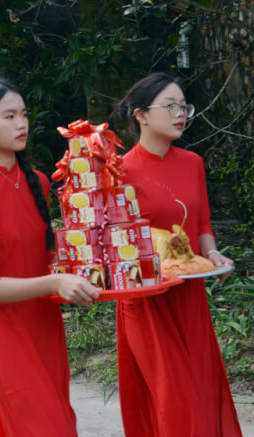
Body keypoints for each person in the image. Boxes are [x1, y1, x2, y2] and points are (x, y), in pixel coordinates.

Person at [0, 77, 98, 435]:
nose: (22, 124)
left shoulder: (39, 182)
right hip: (3, 331)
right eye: (9, 116)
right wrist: (57, 281)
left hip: (43, 323)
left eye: (24, 115)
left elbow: (48, 253)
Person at [114, 73, 241, 436]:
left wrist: (213, 255)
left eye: (183, 106)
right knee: (172, 397)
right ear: (141, 115)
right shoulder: (119, 171)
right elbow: (117, 240)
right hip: (146, 299)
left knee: (199, 392)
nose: (180, 113)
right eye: (170, 106)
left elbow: (201, 223)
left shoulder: (192, 163)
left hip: (189, 296)